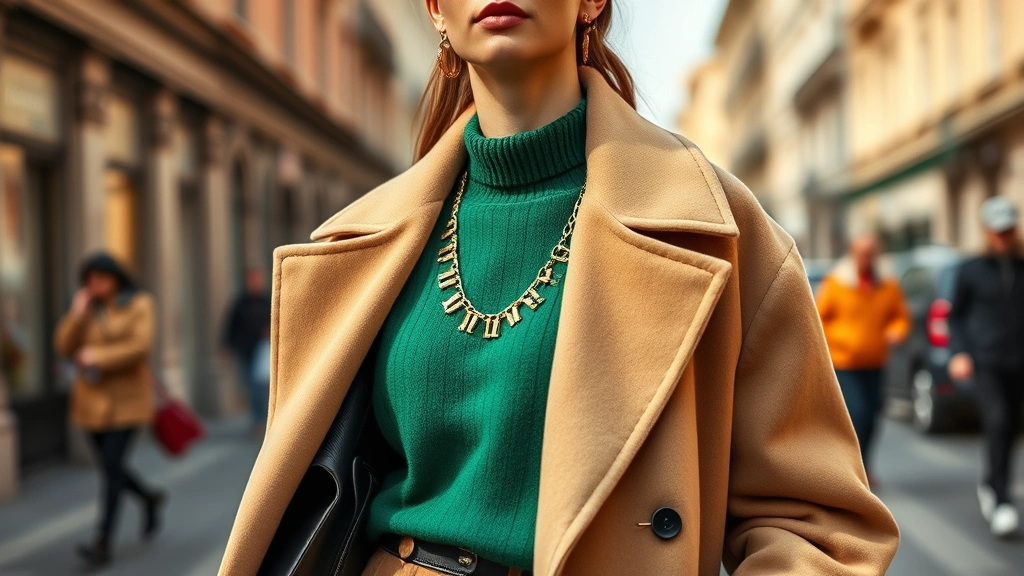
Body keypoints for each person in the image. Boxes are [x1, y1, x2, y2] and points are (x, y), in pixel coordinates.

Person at [219, 2, 899, 575]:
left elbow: (817, 522)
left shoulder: (718, 227)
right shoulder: (362, 245)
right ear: (433, 11)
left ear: (592, 1)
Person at [54, 252, 165, 567]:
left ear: (116, 278)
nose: (96, 285)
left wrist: (97, 357)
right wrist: (76, 314)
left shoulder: (139, 303)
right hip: (90, 404)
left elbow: (140, 346)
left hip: (127, 402)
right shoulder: (87, 309)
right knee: (110, 467)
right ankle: (148, 497)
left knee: (112, 466)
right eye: (90, 280)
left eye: (101, 278)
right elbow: (63, 346)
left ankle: (102, 541)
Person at [949, 196, 1024, 538]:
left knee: (1009, 430)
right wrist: (960, 352)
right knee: (998, 421)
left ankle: (990, 481)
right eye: (998, 232)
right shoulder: (971, 270)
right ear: (986, 232)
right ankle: (1001, 498)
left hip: (1018, 362)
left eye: (1008, 230)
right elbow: (956, 317)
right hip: (986, 362)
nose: (1003, 237)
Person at [816, 235, 911, 484]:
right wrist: (835, 342)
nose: (865, 257)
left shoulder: (886, 284)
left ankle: (864, 465)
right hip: (845, 363)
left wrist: (896, 331)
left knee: (873, 417)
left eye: (870, 252)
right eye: (861, 252)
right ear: (852, 253)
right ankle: (851, 470)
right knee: (857, 413)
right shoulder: (836, 283)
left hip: (875, 362)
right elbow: (817, 318)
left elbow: (900, 316)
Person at [222, 268, 271, 433]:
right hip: (245, 349)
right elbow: (231, 325)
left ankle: (262, 419)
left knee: (260, 386)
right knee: (251, 386)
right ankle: (257, 420)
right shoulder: (240, 302)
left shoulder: (267, 301)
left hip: (263, 350)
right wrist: (226, 346)